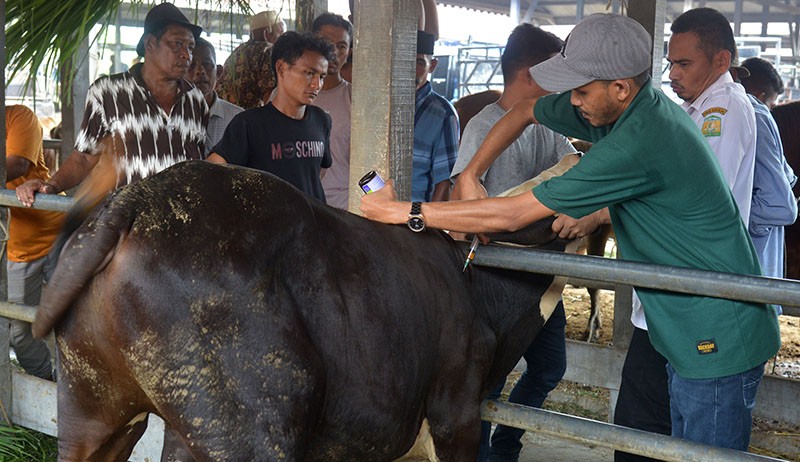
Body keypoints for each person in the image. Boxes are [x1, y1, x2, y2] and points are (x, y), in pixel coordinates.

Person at [362, 13, 779, 455]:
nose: (573, 101)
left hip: (715, 331)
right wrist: (473, 172)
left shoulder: (638, 140)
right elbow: (524, 108)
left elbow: (515, 214)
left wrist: (405, 211)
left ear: (619, 88)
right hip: (676, 321)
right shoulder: (627, 106)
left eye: (580, 91)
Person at [610, 10, 760, 461]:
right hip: (666, 299)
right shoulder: (690, 110)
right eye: (669, 64)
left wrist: (610, 204)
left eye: (684, 64)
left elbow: (686, 194)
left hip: (696, 303)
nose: (672, 75)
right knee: (642, 432)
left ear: (721, 60)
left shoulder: (725, 111)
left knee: (689, 440)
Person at [449, 24, 575, 462]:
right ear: (530, 72)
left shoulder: (546, 122)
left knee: (549, 367)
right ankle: (484, 456)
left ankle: (507, 443)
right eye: (557, 72)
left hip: (543, 278)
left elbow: (567, 164)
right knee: (490, 377)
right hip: (495, 279)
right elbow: (463, 196)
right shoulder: (483, 126)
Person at [17, 2, 207, 208]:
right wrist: (50, 186)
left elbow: (200, 162)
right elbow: (83, 158)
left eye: (190, 47)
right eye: (177, 44)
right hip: (129, 225)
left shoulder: (195, 99)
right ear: (150, 43)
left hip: (185, 222)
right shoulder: (107, 92)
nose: (186, 55)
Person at [208, 32, 334, 202]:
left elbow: (318, 171)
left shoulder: (321, 120)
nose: (316, 84)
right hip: (268, 227)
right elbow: (210, 171)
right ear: (281, 68)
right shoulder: (249, 124)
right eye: (309, 73)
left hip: (315, 225)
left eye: (322, 76)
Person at [3, 105, 64, 380]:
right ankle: (46, 382)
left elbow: (17, 164)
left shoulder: (18, 115)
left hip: (55, 232)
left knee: (77, 316)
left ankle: (79, 388)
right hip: (16, 248)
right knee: (20, 332)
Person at [739, 58, 798, 305]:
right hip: (754, 261)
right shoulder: (760, 117)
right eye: (772, 103)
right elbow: (784, 205)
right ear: (762, 95)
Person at [312, 13, 353, 210]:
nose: (334, 52)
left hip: (343, 209)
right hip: (300, 204)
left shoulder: (356, 100)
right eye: (327, 43)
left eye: (341, 46)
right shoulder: (288, 95)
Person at [413, 30, 459, 202]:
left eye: (418, 62)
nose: (409, 69)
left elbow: (444, 182)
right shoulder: (380, 104)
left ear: (432, 66)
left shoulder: (443, 115)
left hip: (410, 218)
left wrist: (429, 227)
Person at [187, 37, 243, 157]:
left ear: (218, 72)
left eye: (207, 64)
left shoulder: (237, 119)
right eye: (191, 65)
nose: (200, 71)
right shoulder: (173, 118)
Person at [216, 10, 283, 109]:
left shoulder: (238, 51)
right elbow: (270, 98)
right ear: (267, 33)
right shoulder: (267, 51)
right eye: (281, 34)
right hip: (246, 119)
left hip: (224, 115)